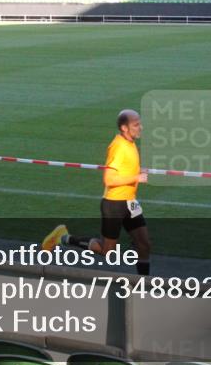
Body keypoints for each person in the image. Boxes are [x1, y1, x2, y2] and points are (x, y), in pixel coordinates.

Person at [42, 109, 151, 275]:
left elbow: (124, 169)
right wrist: (136, 177)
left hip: (130, 202)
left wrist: (137, 170)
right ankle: (63, 237)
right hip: (114, 204)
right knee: (107, 251)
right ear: (124, 128)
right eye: (136, 124)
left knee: (143, 244)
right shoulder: (118, 147)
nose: (140, 127)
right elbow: (109, 179)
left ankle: (143, 287)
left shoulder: (130, 142)